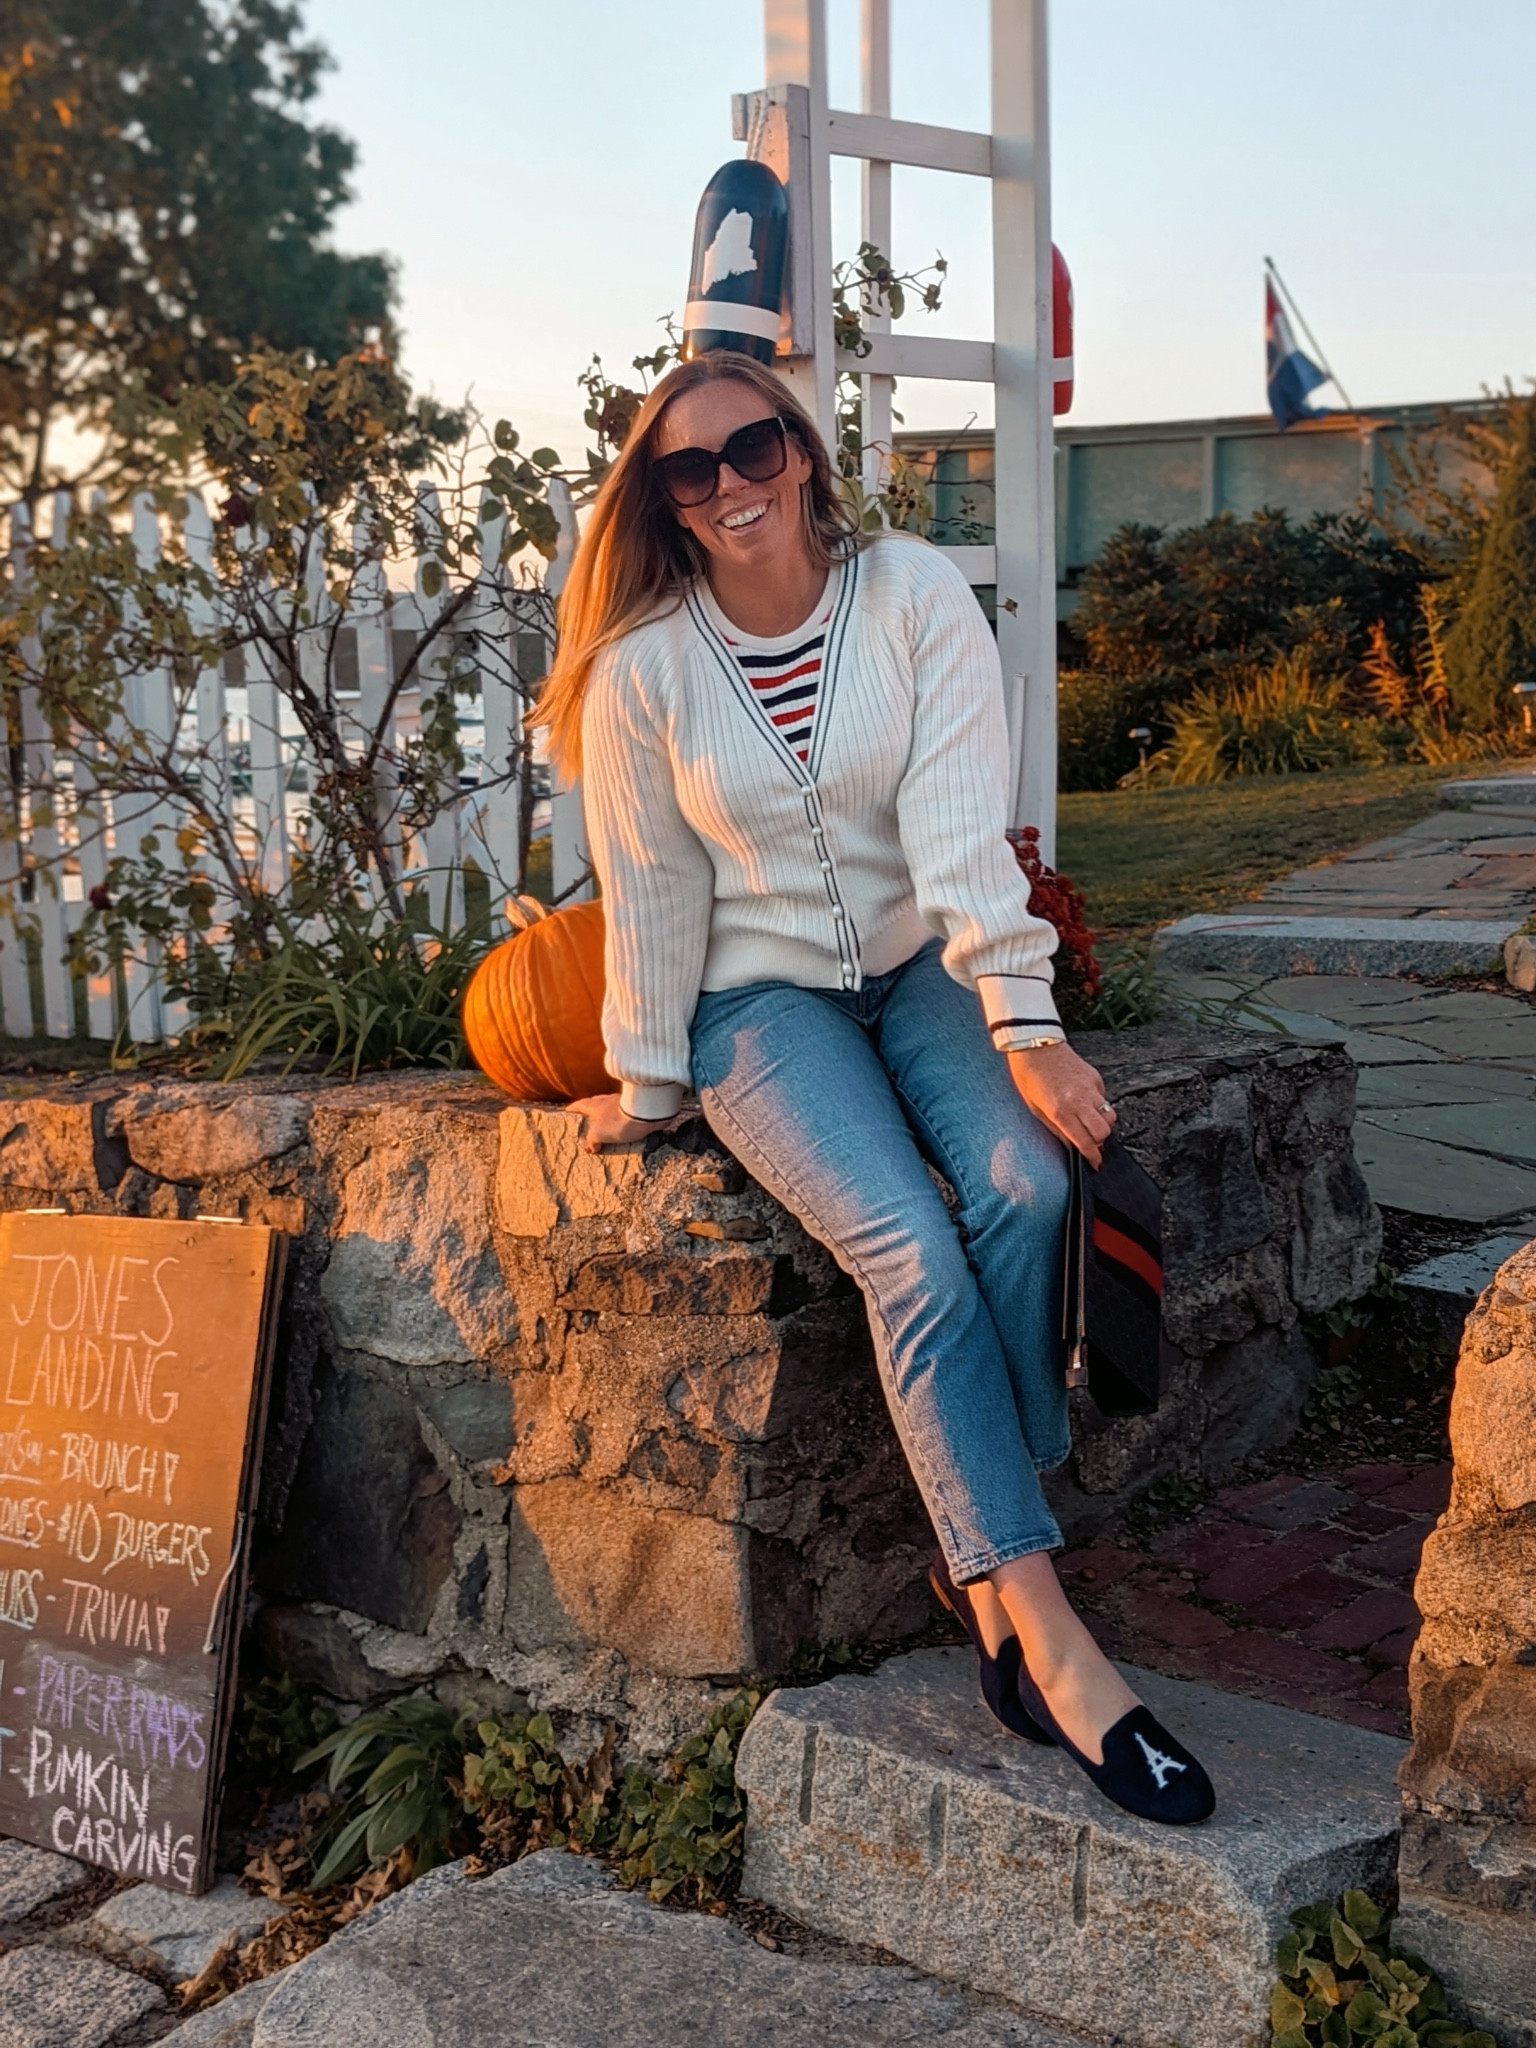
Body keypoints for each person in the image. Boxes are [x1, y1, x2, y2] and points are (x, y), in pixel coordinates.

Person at [537, 350, 1213, 1825]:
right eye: (690, 469)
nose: (730, 485)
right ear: (660, 499)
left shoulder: (911, 597)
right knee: (906, 1241)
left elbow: (965, 826)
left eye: (755, 447)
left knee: (1028, 1182)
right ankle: (1049, 1633)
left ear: (804, 451)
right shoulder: (644, 672)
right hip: (756, 1007)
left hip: (920, 968)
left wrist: (1025, 1023)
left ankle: (981, 1529)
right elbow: (649, 890)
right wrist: (649, 1083)